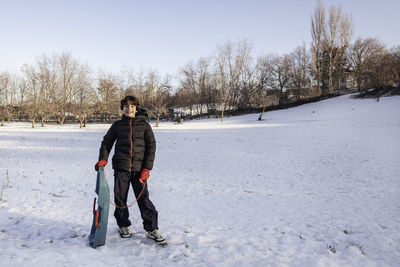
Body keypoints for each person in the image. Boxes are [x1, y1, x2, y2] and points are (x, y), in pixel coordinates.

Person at [94, 95, 165, 243]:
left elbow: (151, 147)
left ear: (136, 108)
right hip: (121, 168)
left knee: (144, 199)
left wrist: (147, 168)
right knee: (120, 198)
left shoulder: (144, 125)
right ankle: (123, 225)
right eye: (126, 106)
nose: (129, 109)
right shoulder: (118, 126)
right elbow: (106, 142)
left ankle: (152, 228)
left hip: (139, 170)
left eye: (132, 106)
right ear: (123, 109)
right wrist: (103, 159)